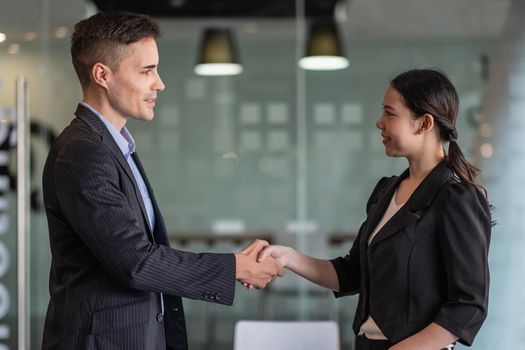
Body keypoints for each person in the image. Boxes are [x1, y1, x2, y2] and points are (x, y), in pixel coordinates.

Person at [41, 11, 281, 350]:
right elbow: (135, 262)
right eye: (146, 71)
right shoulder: (83, 151)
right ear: (101, 75)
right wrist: (234, 268)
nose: (160, 83)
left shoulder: (114, 146)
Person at [258, 69, 492, 350]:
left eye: (390, 114)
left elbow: (469, 305)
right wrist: (287, 256)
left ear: (424, 123)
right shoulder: (386, 191)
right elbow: (351, 274)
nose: (379, 122)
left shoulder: (456, 197)